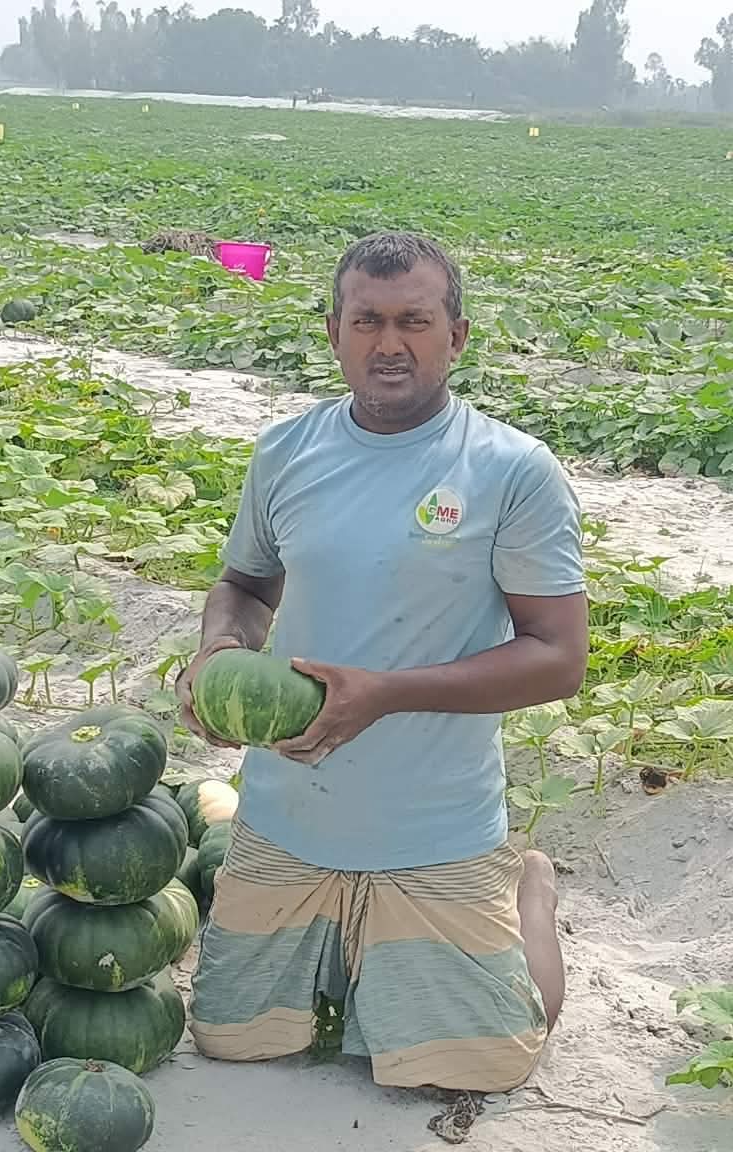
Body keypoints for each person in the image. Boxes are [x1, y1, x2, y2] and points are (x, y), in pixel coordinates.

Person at [178, 231, 586, 1093]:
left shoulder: (513, 471)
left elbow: (558, 659)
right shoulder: (285, 452)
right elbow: (246, 586)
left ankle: (528, 888)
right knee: (233, 1039)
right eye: (367, 320)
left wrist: (386, 696)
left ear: (457, 336)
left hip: (433, 825)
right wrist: (218, 653)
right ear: (333, 333)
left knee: (485, 1064)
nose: (389, 343)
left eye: (415, 320)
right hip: (289, 814)